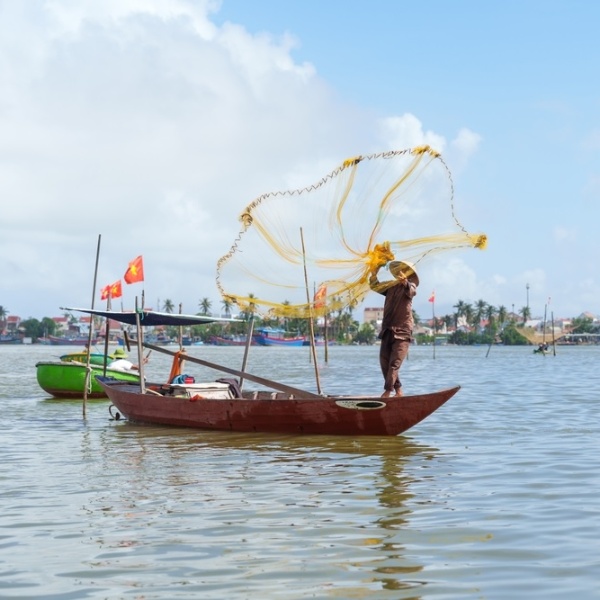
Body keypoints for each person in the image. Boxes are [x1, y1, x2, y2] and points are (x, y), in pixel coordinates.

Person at [369, 260, 419, 397]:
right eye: (399, 271)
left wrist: (405, 283)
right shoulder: (390, 287)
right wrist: (374, 272)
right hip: (388, 330)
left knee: (394, 363)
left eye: (404, 271)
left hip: (403, 332)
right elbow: (375, 286)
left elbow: (412, 291)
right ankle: (398, 391)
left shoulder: (410, 286)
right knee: (384, 360)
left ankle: (388, 391)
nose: (401, 273)